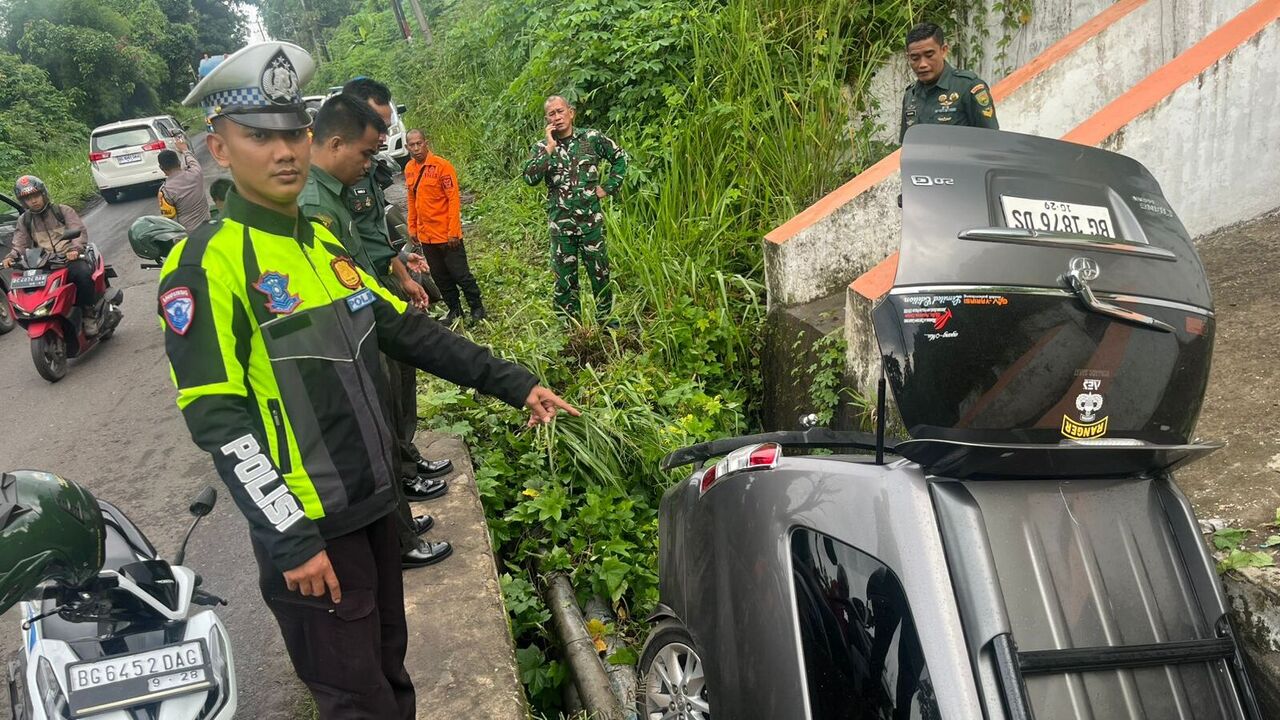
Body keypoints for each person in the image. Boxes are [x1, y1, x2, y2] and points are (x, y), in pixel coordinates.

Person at [162, 41, 579, 719]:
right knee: (358, 704)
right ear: (219, 148)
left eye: (293, 131)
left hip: (375, 508)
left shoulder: (320, 246)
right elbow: (219, 420)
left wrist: (517, 382)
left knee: (390, 676)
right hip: (313, 531)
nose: (285, 150)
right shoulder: (206, 265)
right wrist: (289, 538)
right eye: (259, 136)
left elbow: (408, 332)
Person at [297, 92, 453, 569]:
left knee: (387, 425)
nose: (372, 162)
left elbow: (365, 253)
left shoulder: (334, 193)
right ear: (337, 142)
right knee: (377, 437)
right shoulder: (314, 203)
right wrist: (389, 311)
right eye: (367, 151)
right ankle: (400, 540)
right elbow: (343, 282)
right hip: (348, 336)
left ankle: (400, 529)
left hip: (364, 319)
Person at [340, 78, 456, 510]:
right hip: (359, 294)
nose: (386, 137)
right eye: (379, 127)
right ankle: (400, 474)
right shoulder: (329, 183)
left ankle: (408, 454)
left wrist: (403, 269)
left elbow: (375, 230)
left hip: (384, 279)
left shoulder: (368, 168)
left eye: (388, 127)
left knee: (403, 373)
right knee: (383, 385)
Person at [522, 95, 627, 326]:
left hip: (591, 224)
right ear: (546, 120)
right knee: (564, 280)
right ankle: (569, 327)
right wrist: (549, 147)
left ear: (571, 112)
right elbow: (530, 177)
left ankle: (606, 320)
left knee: (600, 274)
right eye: (552, 114)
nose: (557, 117)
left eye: (560, 111)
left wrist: (608, 187)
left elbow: (620, 158)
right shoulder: (542, 147)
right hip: (561, 227)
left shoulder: (590, 139)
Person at [404, 129, 485, 326]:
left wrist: (454, 232)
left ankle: (477, 308)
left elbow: (453, 200)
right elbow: (412, 199)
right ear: (407, 147)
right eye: (411, 145)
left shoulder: (442, 167)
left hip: (447, 235)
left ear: (426, 143)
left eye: (419, 143)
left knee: (461, 274)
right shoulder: (409, 169)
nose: (416, 148)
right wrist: (412, 227)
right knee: (440, 277)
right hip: (427, 236)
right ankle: (455, 311)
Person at [3, 175, 99, 332]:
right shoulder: (24, 220)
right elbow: (19, 243)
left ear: (43, 194)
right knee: (28, 289)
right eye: (28, 198)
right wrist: (11, 256)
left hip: (68, 259)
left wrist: (75, 249)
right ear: (23, 201)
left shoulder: (62, 211)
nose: (33, 201)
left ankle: (89, 313)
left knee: (82, 274)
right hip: (44, 264)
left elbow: (79, 233)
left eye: (35, 195)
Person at [899, 22, 999, 143]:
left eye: (929, 55)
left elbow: (991, 141)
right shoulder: (911, 95)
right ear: (908, 57)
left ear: (944, 50)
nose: (922, 64)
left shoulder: (968, 87)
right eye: (915, 58)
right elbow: (907, 146)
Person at [158, 136, 213, 232]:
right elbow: (191, 160)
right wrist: (184, 150)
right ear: (179, 162)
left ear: (161, 168)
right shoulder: (196, 173)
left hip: (187, 235)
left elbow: (169, 218)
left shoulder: (165, 190)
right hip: (207, 228)